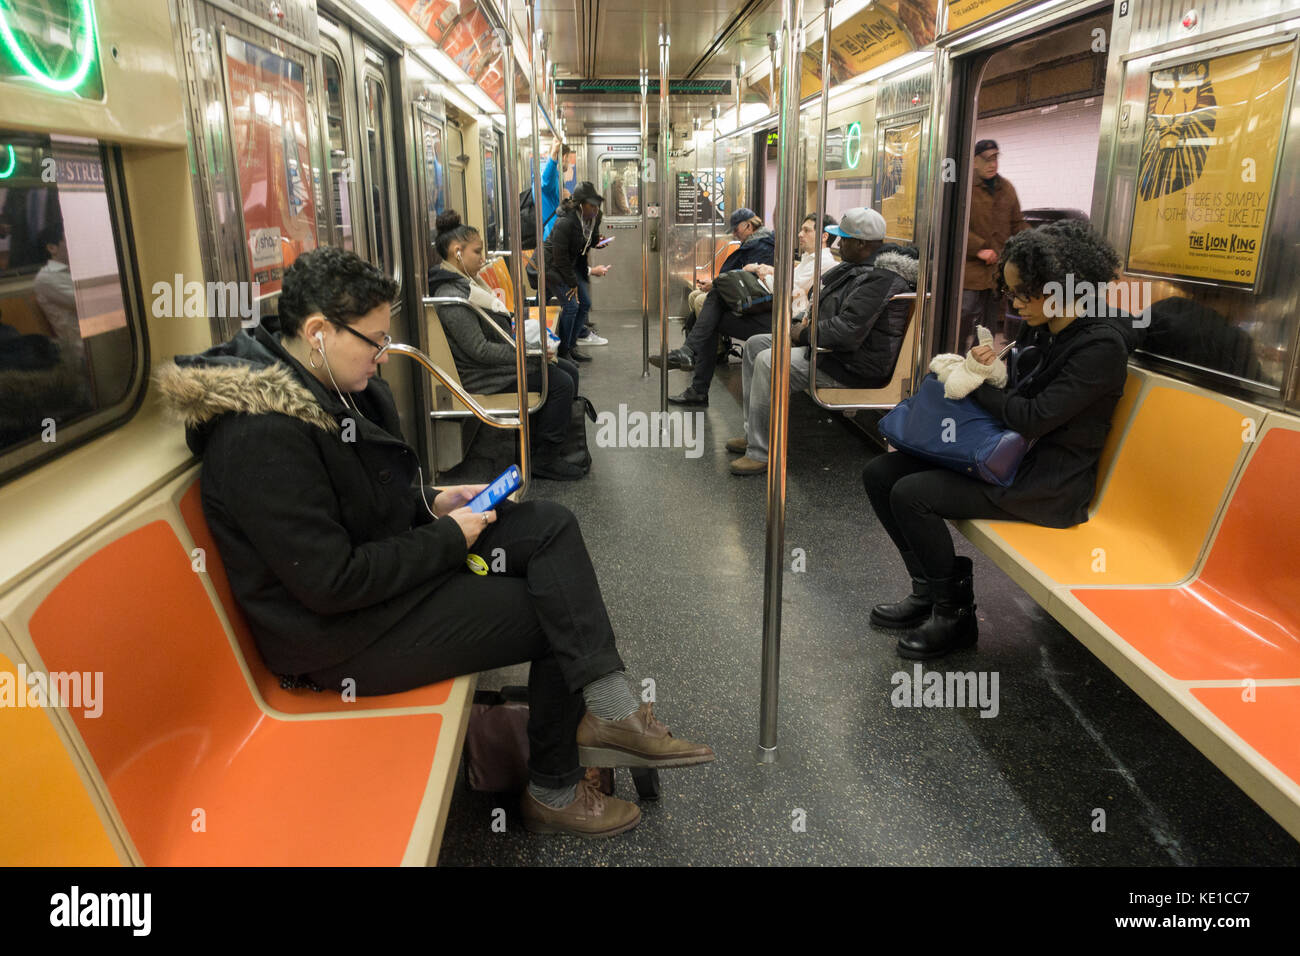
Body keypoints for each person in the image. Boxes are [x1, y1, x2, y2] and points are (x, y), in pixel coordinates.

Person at [156, 246, 714, 838]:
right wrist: (448, 538)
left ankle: (612, 710)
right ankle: (552, 788)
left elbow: (363, 505)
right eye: (372, 340)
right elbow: (331, 582)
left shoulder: (335, 384)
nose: (383, 354)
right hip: (341, 638)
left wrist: (430, 503)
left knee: (551, 524)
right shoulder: (261, 436)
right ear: (317, 332)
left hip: (386, 583)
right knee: (556, 617)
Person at [862, 220, 1137, 660]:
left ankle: (955, 616)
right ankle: (928, 591)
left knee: (913, 494)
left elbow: (1033, 418)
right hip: (1009, 457)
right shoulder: (1043, 328)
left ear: (1066, 285)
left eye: (1027, 292)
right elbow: (1015, 397)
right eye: (1011, 293)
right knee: (880, 473)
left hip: (1048, 481)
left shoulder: (1100, 346)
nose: (1017, 304)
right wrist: (985, 369)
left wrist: (976, 384)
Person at [731, 210, 918, 476]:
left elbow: (847, 331)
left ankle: (762, 452)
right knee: (755, 345)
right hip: (832, 349)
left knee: (769, 361)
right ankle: (755, 435)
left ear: (862, 244)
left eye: (845, 240)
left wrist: (803, 334)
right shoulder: (858, 269)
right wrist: (802, 324)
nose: (838, 245)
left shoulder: (881, 279)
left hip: (851, 363)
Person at [428, 211, 584, 481]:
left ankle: (536, 446)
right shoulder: (451, 296)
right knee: (561, 382)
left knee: (568, 370)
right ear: (457, 252)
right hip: (482, 376)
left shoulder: (465, 284)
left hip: (495, 363)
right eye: (477, 252)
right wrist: (528, 354)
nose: (482, 258)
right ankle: (544, 459)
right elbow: (480, 350)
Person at [651, 208, 776, 406]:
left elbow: (755, 282)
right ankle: (694, 374)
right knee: (711, 310)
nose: (734, 234)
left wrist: (719, 282)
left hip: (770, 314)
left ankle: (691, 359)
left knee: (711, 305)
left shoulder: (764, 246)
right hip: (756, 304)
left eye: (736, 230)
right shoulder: (756, 244)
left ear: (748, 226)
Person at [961, 139, 1027, 352]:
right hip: (970, 269)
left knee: (989, 323)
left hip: (996, 270)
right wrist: (978, 249)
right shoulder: (965, 188)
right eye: (987, 159)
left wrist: (1032, 244)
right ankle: (955, 356)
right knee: (965, 313)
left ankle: (981, 362)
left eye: (996, 158)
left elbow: (1017, 223)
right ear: (974, 161)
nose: (993, 164)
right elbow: (955, 223)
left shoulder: (1006, 188)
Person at [543, 182, 610, 363]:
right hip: (552, 266)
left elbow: (589, 240)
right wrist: (572, 282)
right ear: (580, 204)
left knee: (585, 303)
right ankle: (564, 351)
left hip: (571, 264)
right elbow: (559, 257)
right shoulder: (566, 221)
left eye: (597, 205)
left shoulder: (595, 217)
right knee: (572, 306)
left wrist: (598, 242)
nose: (595, 209)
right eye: (591, 205)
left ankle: (572, 346)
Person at [31, 222, 87, 370]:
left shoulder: (78, 270)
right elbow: (88, 305)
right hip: (83, 350)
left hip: (104, 339)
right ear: (52, 248)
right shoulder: (46, 278)